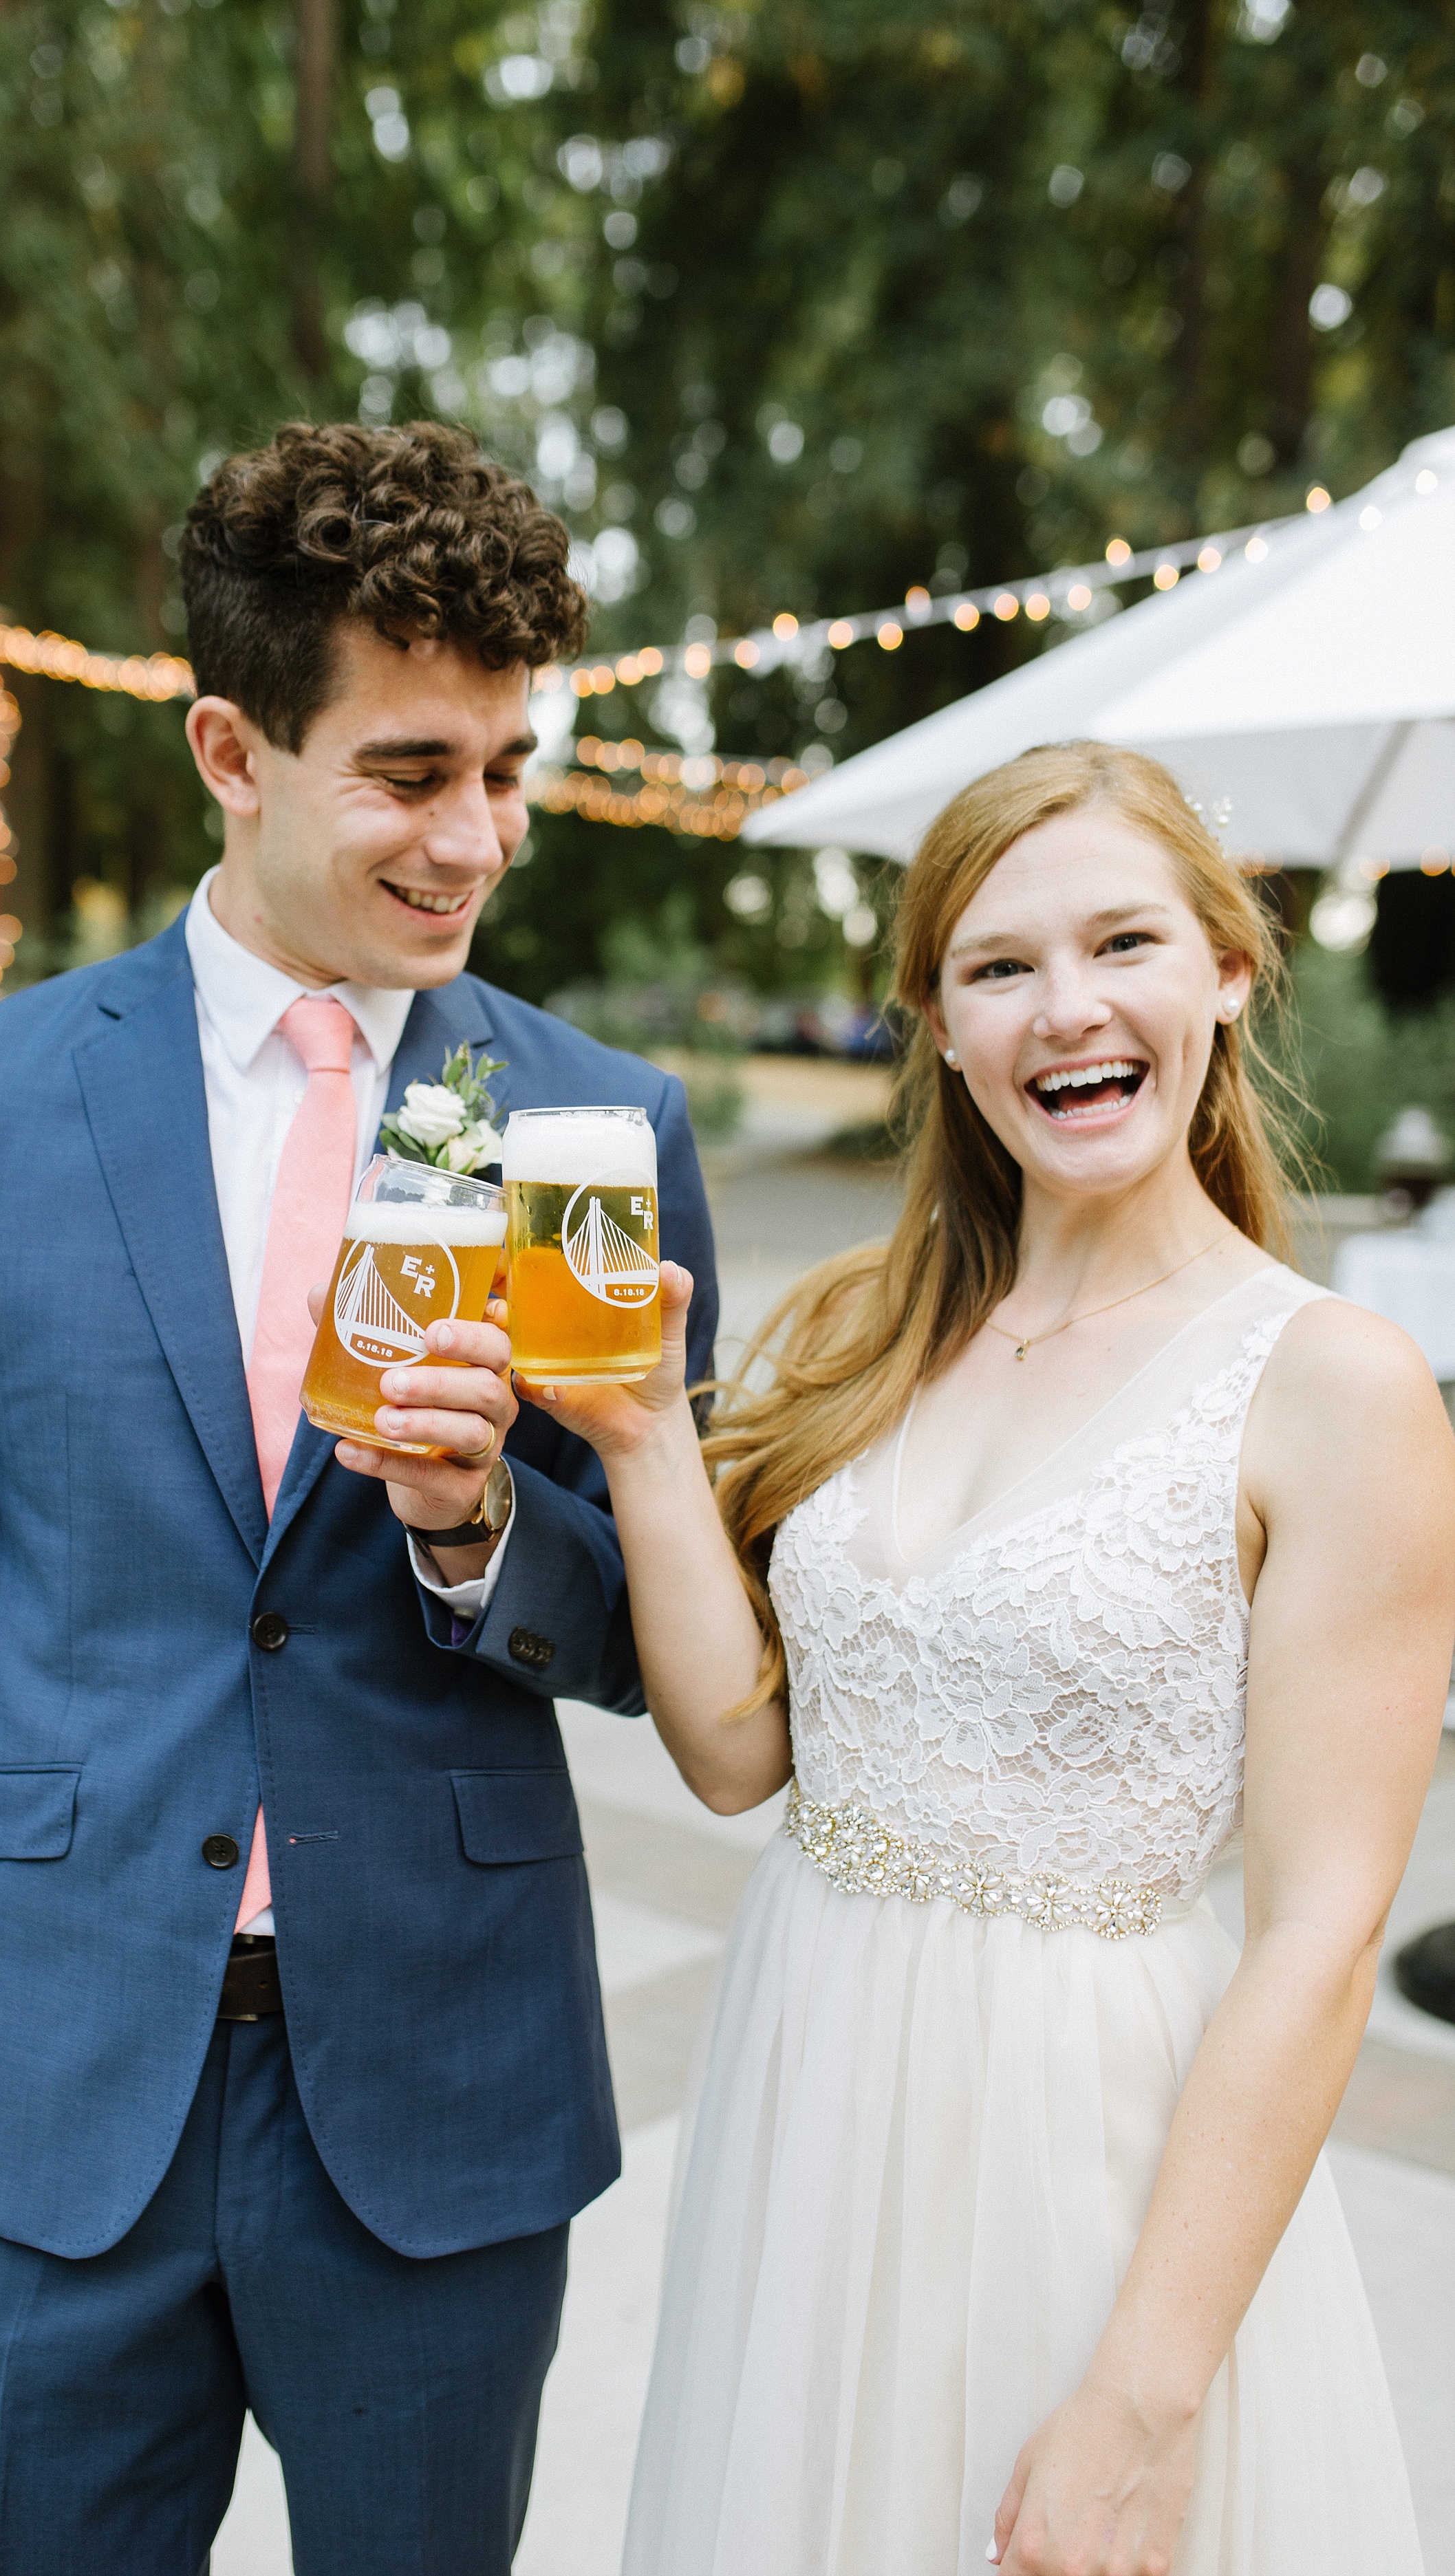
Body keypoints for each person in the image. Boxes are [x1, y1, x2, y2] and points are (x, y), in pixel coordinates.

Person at [0, 418, 717, 2573]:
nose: (475, 835)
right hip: (46, 2083)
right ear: (229, 746)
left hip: (441, 2093)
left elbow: (673, 1637)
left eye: (506, 764)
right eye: (409, 771)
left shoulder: (596, 1117)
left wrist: (485, 1531)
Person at [527, 742, 1455, 2576]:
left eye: (1121, 940)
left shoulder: (1332, 1384)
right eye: (997, 964)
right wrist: (637, 1438)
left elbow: (1321, 1931)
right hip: (813, 2082)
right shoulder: (864, 1331)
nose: (1067, 1007)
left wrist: (1142, 2392)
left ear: (1224, 968)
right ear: (938, 1024)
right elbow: (733, 1752)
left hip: (1085, 2141)